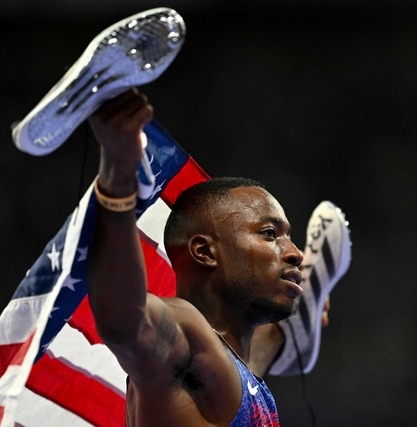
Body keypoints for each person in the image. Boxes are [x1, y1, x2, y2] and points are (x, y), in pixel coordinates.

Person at [10, 8, 352, 425]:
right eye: (269, 233)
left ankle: (281, 340)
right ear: (205, 253)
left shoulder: (224, 373)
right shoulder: (186, 331)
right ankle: (283, 339)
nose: (295, 252)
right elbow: (125, 321)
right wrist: (119, 175)